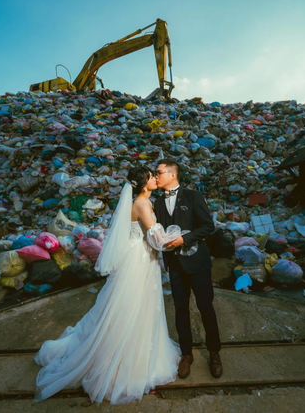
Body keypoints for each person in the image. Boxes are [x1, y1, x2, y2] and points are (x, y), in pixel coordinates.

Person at [34, 166, 181, 405]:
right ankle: (122, 360)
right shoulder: (143, 204)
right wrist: (179, 237)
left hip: (141, 257)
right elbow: (156, 238)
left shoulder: (143, 201)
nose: (156, 178)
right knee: (133, 307)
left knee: (135, 306)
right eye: (152, 177)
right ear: (144, 184)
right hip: (139, 260)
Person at [154, 158, 223, 379]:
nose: (156, 176)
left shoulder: (193, 196)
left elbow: (208, 226)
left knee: (205, 307)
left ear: (172, 175)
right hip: (174, 264)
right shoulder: (157, 202)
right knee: (180, 308)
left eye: (159, 173)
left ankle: (214, 353)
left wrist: (185, 240)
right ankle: (186, 354)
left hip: (198, 263)